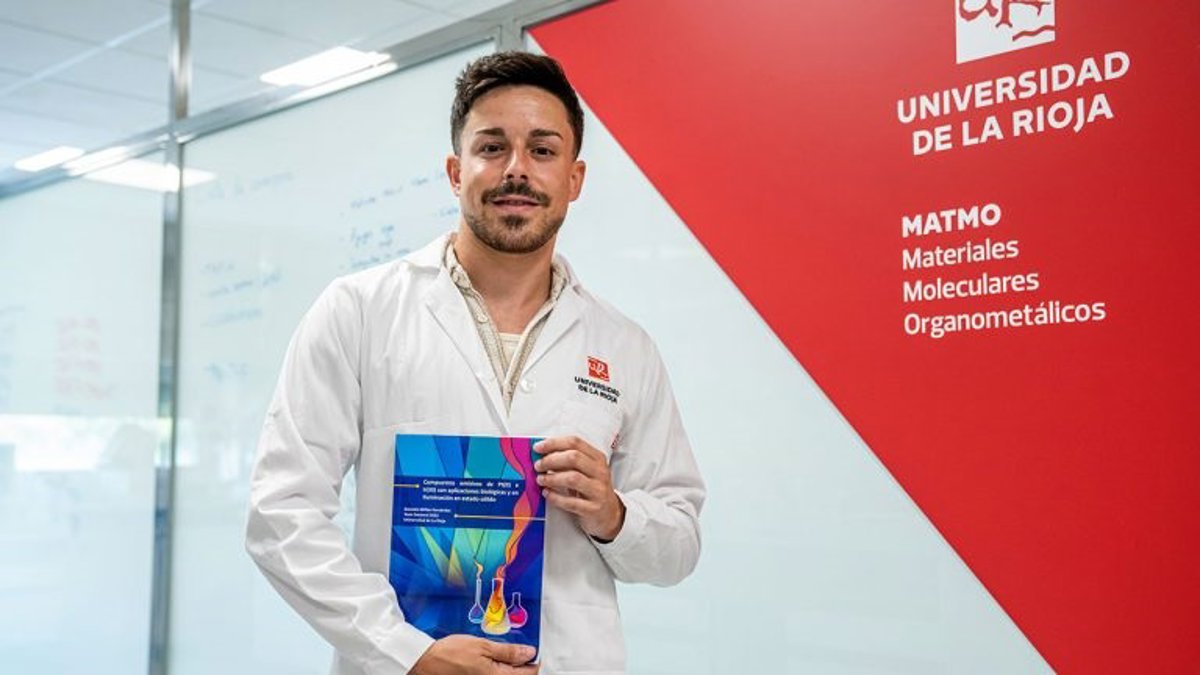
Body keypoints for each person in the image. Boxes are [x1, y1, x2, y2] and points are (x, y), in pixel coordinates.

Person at [246, 51, 705, 675]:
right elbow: (281, 513)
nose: (517, 169)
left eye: (542, 150)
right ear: (455, 170)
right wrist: (405, 650)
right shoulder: (358, 311)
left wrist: (613, 514)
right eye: (492, 147)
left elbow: (679, 545)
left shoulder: (624, 347)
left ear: (574, 178)